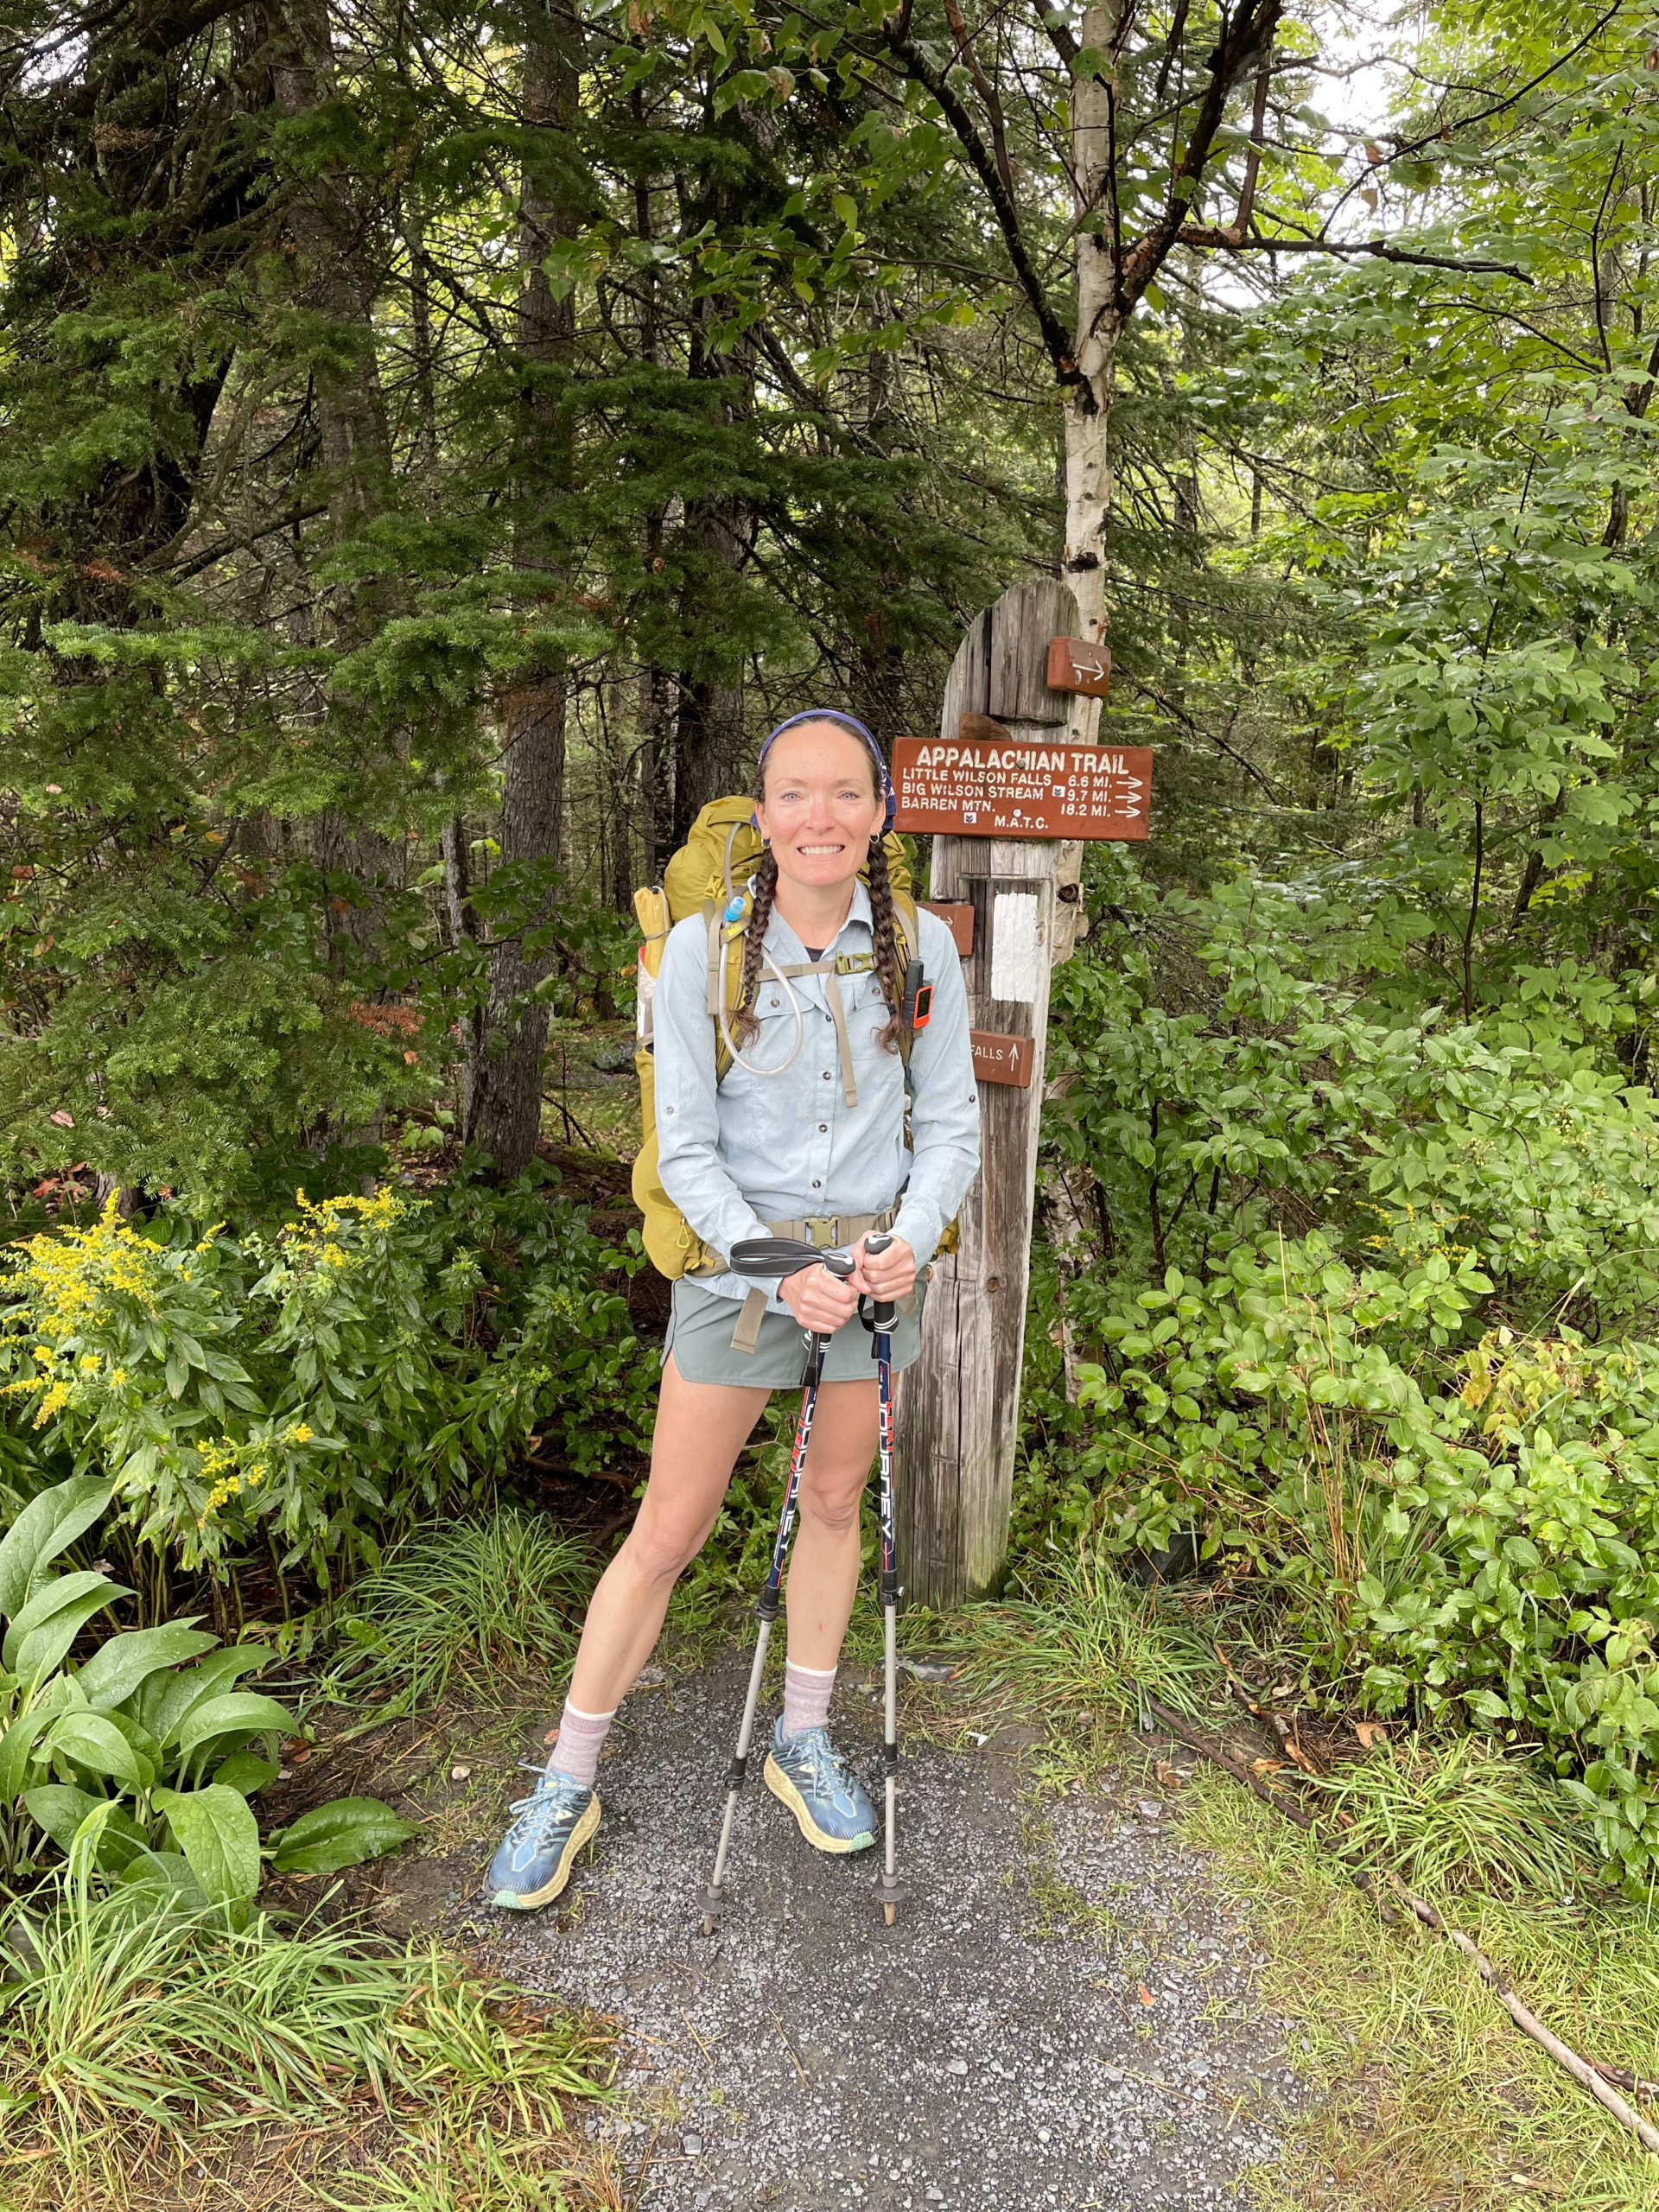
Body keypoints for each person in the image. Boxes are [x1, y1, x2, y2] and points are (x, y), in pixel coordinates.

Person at [487, 711, 981, 1909]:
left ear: (878, 816)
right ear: (763, 818)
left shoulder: (920, 950)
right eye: (796, 796)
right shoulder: (703, 952)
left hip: (868, 1285)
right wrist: (774, 1268)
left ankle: (801, 1742)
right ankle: (565, 1776)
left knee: (827, 1506)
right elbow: (687, 1152)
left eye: (845, 794)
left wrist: (907, 1244)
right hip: (736, 1284)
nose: (821, 816)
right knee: (667, 1530)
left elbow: (954, 1124)